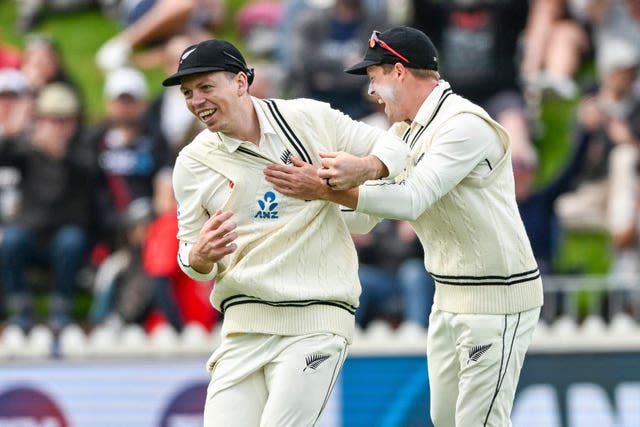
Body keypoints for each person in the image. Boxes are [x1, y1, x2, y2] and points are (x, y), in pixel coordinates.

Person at [264, 26, 544, 426]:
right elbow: (366, 215)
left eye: (374, 77)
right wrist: (305, 196)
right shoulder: (403, 133)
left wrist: (330, 190)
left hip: (497, 298)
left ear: (400, 72)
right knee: (444, 419)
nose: (371, 92)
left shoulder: (465, 124)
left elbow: (413, 198)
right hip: (447, 296)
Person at [163, 38, 409, 426]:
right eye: (188, 93)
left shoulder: (309, 118)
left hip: (316, 318)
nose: (196, 101)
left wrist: (340, 182)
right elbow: (190, 254)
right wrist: (200, 255)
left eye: (206, 87)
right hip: (243, 329)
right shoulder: (193, 162)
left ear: (241, 83)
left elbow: (397, 149)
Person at [0, 82, 94, 332]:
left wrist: (61, 156)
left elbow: (89, 173)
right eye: (52, 119)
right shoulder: (27, 151)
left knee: (71, 240)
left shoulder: (83, 149)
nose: (58, 126)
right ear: (40, 121)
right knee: (10, 239)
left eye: (64, 120)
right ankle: (20, 308)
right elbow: (4, 154)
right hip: (30, 234)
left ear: (74, 121)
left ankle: (61, 307)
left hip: (63, 237)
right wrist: (15, 126)